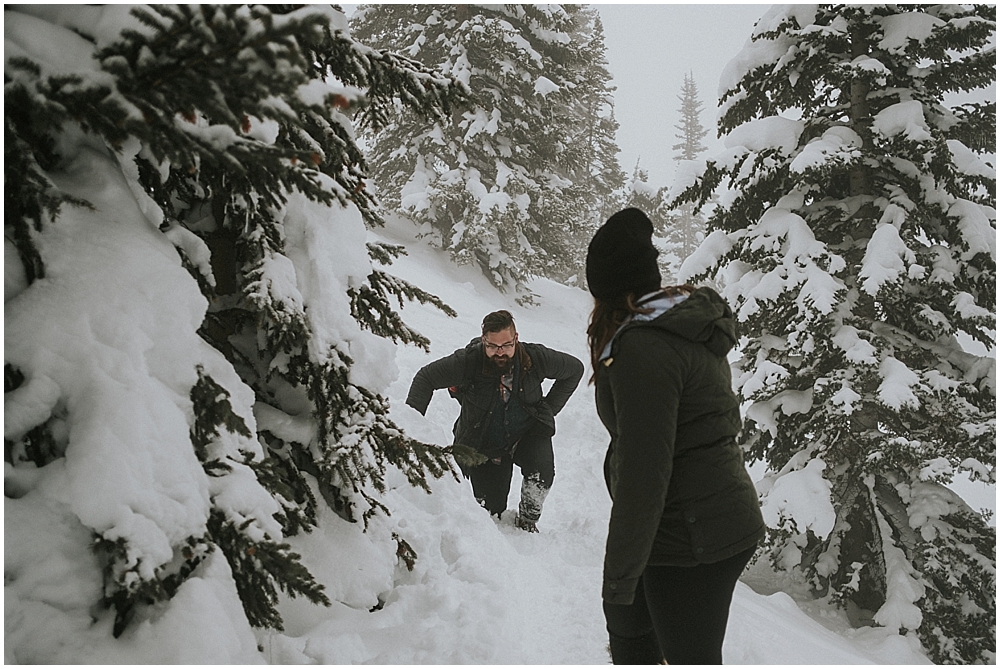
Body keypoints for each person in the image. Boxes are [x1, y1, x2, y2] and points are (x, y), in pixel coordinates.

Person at [585, 208, 766, 664]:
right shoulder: (673, 325)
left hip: (690, 538)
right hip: (703, 522)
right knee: (630, 632)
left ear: (607, 290)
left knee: (685, 655)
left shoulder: (644, 347)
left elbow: (646, 473)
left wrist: (620, 577)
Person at [406, 310, 584, 532]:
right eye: (492, 346)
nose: (500, 352)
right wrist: (409, 429)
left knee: (541, 472)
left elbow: (575, 370)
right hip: (484, 442)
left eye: (507, 345)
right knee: (491, 513)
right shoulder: (468, 362)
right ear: (484, 341)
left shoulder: (534, 358)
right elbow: (426, 378)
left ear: (515, 339)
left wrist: (548, 409)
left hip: (526, 434)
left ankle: (528, 521)